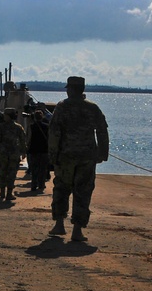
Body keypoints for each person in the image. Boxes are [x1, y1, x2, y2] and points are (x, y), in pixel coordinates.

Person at [48, 76, 109, 242]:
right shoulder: (92, 108)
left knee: (61, 188)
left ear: (70, 89)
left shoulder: (62, 107)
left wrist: (52, 156)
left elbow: (54, 132)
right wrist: (103, 153)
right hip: (86, 157)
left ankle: (59, 224)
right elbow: (102, 131)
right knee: (83, 191)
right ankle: (77, 230)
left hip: (65, 156)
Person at [0, 107, 27, 201]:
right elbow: (23, 141)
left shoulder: (1, 126)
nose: (4, 116)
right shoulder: (18, 127)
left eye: (5, 115)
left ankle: (3, 192)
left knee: (3, 172)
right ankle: (8, 193)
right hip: (13, 153)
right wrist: (24, 152)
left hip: (3, 152)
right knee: (11, 173)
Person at [27, 109, 50, 193]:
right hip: (44, 149)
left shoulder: (31, 126)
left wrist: (27, 147)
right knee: (43, 168)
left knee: (34, 168)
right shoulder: (47, 126)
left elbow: (29, 138)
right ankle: (41, 184)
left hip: (34, 149)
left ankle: (33, 184)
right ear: (42, 117)